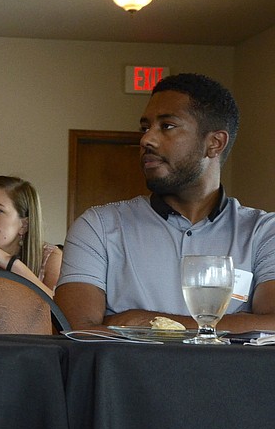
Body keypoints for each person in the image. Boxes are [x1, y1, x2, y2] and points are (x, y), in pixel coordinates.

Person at [55, 73, 275, 332]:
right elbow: (77, 332)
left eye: (167, 126)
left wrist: (145, 323)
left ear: (214, 143)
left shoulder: (264, 233)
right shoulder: (98, 227)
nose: (146, 139)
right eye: (145, 127)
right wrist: (231, 326)